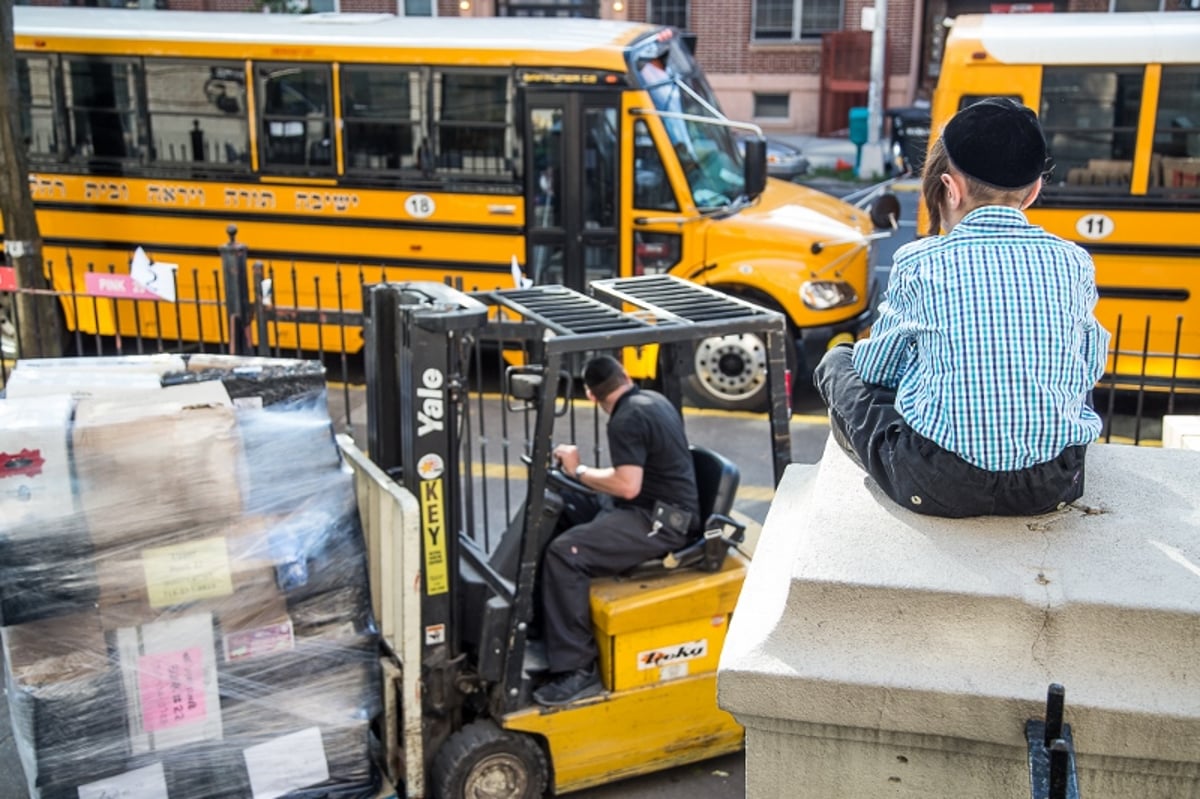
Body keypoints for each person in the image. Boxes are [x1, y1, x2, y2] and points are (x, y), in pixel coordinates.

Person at [813, 97, 1111, 518]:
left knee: (838, 361)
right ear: (1033, 192)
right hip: (1052, 484)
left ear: (949, 188)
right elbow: (1088, 367)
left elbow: (877, 372)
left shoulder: (922, 260)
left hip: (939, 485)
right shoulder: (1074, 261)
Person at [533, 355, 700, 706]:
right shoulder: (653, 400)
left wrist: (578, 471)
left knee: (565, 554)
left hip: (661, 522)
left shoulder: (626, 418)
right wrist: (576, 477)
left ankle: (577, 669)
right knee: (566, 508)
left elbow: (626, 485)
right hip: (649, 506)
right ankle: (542, 623)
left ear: (591, 396)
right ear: (625, 375)